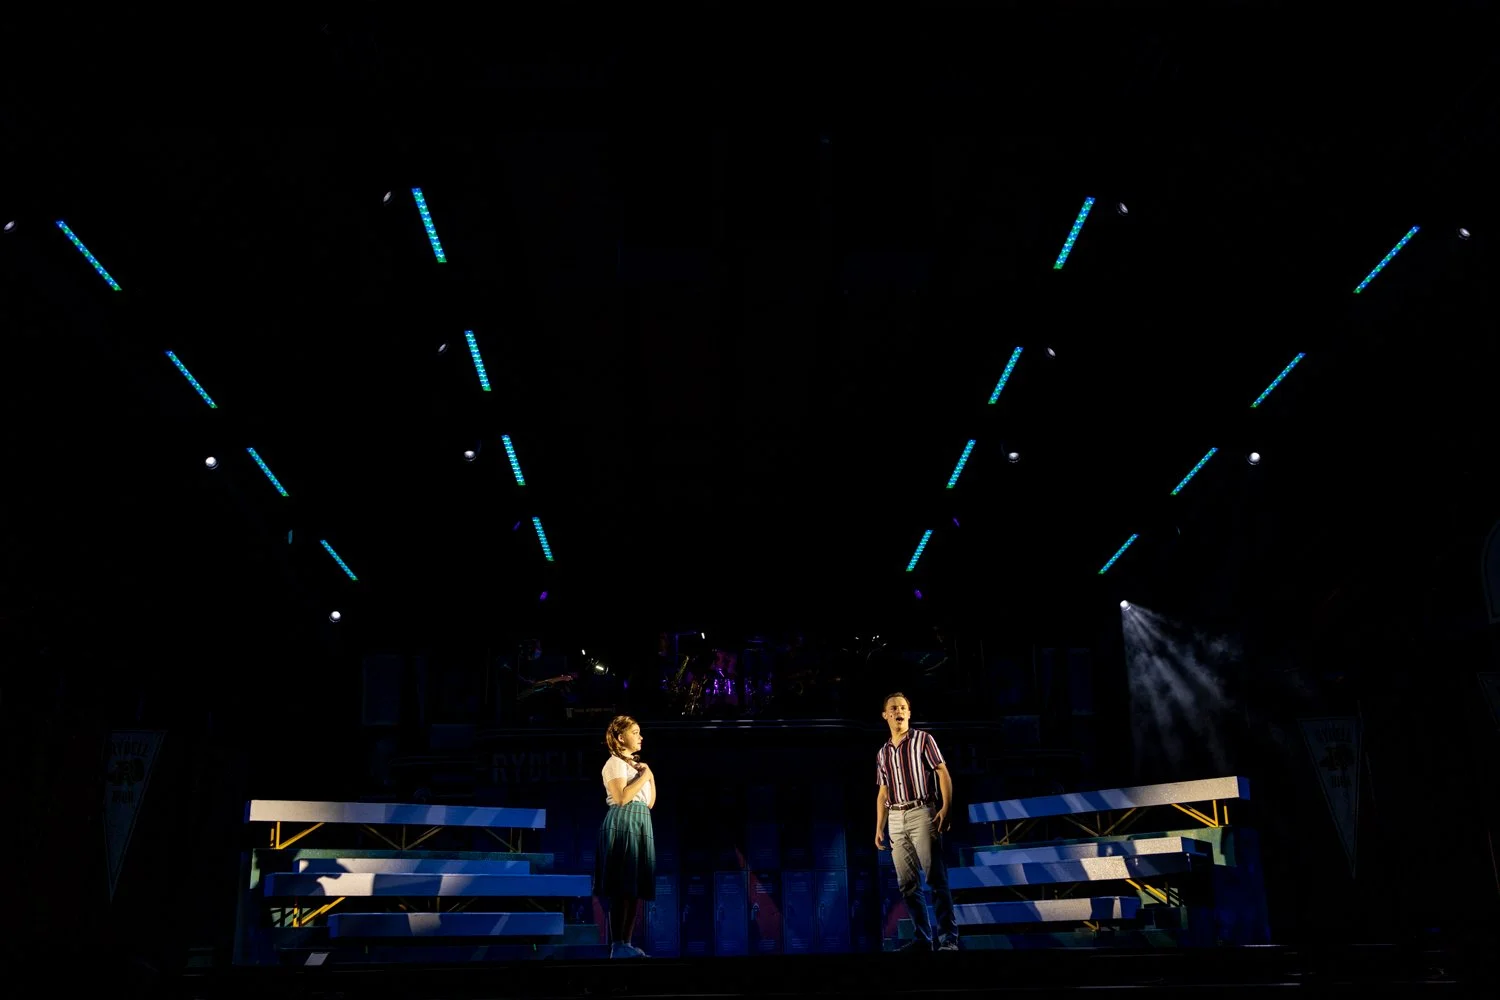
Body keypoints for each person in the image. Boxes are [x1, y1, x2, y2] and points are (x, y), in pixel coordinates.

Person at [873, 692, 958, 952]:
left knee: (934, 877)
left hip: (922, 811)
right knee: (906, 883)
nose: (898, 711)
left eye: (903, 707)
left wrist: (946, 807)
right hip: (896, 817)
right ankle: (923, 938)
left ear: (909, 713)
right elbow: (883, 791)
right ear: (885, 715)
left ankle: (948, 939)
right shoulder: (883, 752)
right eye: (893, 708)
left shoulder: (923, 740)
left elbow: (942, 772)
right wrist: (879, 826)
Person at [594, 715, 656, 958]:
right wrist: (645, 776)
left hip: (640, 820)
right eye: (635, 732)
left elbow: (649, 803)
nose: (640, 737)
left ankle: (626, 943)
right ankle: (617, 943)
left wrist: (647, 773)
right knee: (622, 885)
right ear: (621, 738)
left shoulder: (638, 767)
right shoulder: (614, 763)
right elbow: (621, 798)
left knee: (635, 886)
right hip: (624, 821)